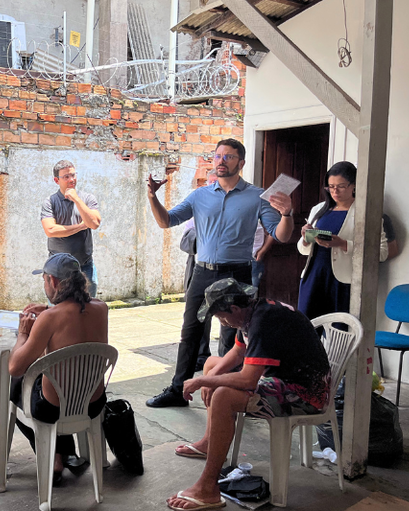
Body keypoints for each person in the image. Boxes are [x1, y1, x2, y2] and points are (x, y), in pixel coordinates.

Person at [146, 139, 294, 408]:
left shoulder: (257, 197)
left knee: (233, 334)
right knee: (191, 331)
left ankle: (226, 394)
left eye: (229, 156)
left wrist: (287, 214)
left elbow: (281, 236)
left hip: (237, 274)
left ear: (241, 163)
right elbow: (166, 221)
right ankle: (178, 390)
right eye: (218, 156)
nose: (221, 161)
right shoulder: (200, 195)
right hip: (203, 272)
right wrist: (153, 197)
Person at [167, 278, 331, 511]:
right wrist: (210, 375)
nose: (222, 323)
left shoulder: (264, 321)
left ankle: (208, 488)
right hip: (282, 379)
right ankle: (209, 442)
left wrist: (203, 381)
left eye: (221, 317)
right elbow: (237, 352)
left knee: (223, 396)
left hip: (305, 394)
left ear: (234, 309)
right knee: (212, 364)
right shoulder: (251, 312)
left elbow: (247, 380)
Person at [9, 253, 109, 484]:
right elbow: (76, 312)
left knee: (14, 386)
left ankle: (54, 457)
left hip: (53, 410)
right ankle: (64, 452)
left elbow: (15, 366)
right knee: (52, 384)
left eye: (44, 280)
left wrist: (23, 332)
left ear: (52, 281)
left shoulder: (49, 318)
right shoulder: (101, 308)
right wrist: (47, 307)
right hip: (93, 404)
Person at [297, 161, 388, 320]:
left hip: (343, 280)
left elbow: (382, 252)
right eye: (331, 187)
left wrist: (343, 244)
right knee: (307, 325)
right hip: (314, 275)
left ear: (354, 185)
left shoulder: (366, 212)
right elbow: (303, 249)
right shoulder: (318, 209)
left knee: (339, 328)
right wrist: (306, 238)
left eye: (341, 186)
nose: (335, 191)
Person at [41, 160, 102, 297]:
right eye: (66, 177)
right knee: (58, 308)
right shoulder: (50, 202)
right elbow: (50, 230)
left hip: (84, 266)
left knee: (87, 306)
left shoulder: (87, 198)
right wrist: (81, 226)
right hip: (58, 269)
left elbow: (94, 223)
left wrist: (77, 199)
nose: (71, 179)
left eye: (73, 175)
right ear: (56, 180)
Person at [181, 171, 219, 371]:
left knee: (230, 316)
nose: (212, 187)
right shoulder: (198, 208)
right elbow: (185, 241)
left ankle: (229, 359)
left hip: (227, 268)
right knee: (198, 315)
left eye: (216, 183)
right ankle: (200, 356)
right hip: (198, 267)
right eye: (209, 183)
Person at [251, 222, 274, 288]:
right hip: (231, 258)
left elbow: (273, 231)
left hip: (253, 258)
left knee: (251, 290)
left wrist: (262, 251)